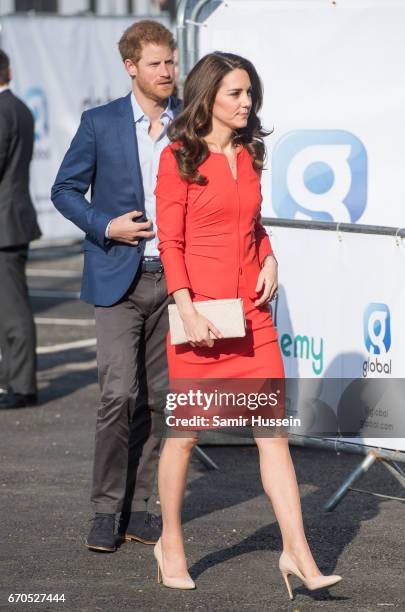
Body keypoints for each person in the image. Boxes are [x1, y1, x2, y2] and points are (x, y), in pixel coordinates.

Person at [154, 52, 343, 597]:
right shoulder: (179, 158)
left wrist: (270, 257)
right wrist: (185, 307)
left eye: (250, 94)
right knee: (185, 436)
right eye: (236, 93)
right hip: (202, 315)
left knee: (273, 436)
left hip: (252, 315)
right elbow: (171, 240)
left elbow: (253, 227)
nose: (246, 103)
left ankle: (298, 552)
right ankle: (171, 541)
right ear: (208, 96)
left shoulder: (250, 154)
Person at [51, 21, 180, 553]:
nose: (167, 72)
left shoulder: (189, 123)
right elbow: (64, 189)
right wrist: (107, 225)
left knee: (159, 401)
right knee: (117, 394)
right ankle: (105, 509)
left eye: (171, 61)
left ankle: (137, 508)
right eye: (155, 63)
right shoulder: (100, 122)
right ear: (131, 67)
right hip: (117, 277)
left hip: (173, 281)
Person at [0, 49, 41, 410]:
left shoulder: (3, 110)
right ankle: (13, 379)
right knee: (9, 307)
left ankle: (22, 385)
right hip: (11, 220)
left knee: (12, 310)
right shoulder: (18, 107)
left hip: (6, 225)